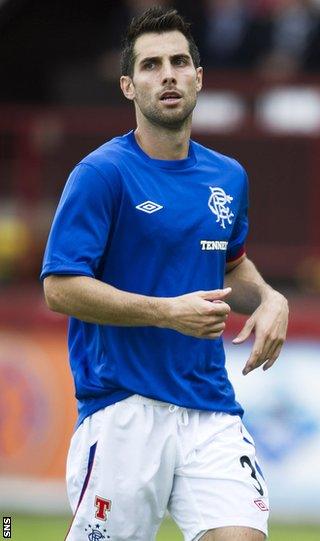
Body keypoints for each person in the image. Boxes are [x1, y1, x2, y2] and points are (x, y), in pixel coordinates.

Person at [41, 7, 288, 541]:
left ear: (200, 78)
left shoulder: (228, 175)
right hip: (123, 409)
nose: (169, 74)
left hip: (210, 409)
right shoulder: (101, 175)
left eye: (180, 62)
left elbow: (230, 262)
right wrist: (166, 312)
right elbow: (59, 288)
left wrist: (271, 299)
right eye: (152, 65)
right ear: (129, 86)